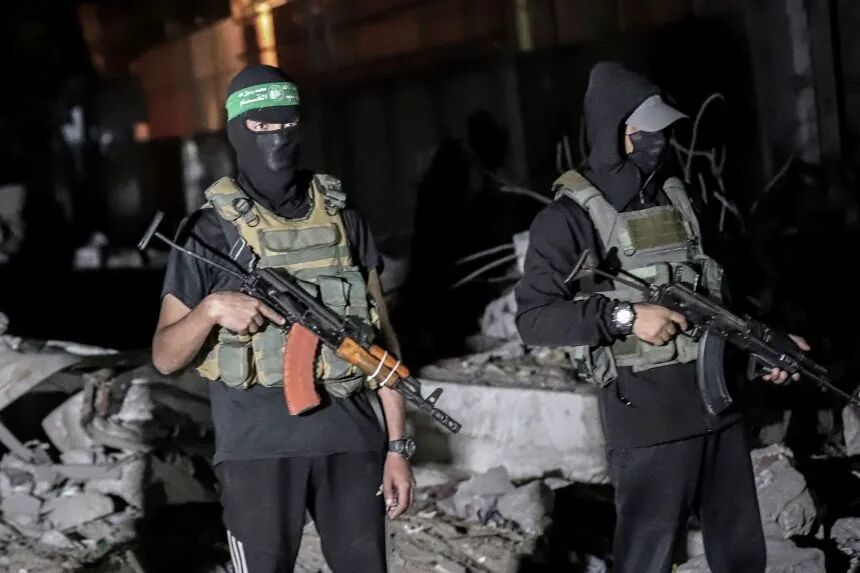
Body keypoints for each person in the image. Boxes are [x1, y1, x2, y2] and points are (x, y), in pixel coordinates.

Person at [515, 61, 808, 573]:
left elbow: (718, 293)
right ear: (618, 133)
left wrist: (768, 342)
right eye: (649, 131)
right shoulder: (567, 218)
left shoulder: (676, 197)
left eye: (663, 131)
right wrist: (627, 317)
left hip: (719, 408)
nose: (661, 141)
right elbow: (535, 320)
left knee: (742, 558)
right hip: (647, 419)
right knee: (645, 562)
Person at [151, 64, 415, 573]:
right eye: (261, 127)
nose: (276, 138)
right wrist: (210, 309)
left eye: (287, 125)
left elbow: (384, 337)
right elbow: (164, 357)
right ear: (236, 130)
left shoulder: (341, 216)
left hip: (352, 441)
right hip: (257, 453)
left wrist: (398, 446)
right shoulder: (207, 232)